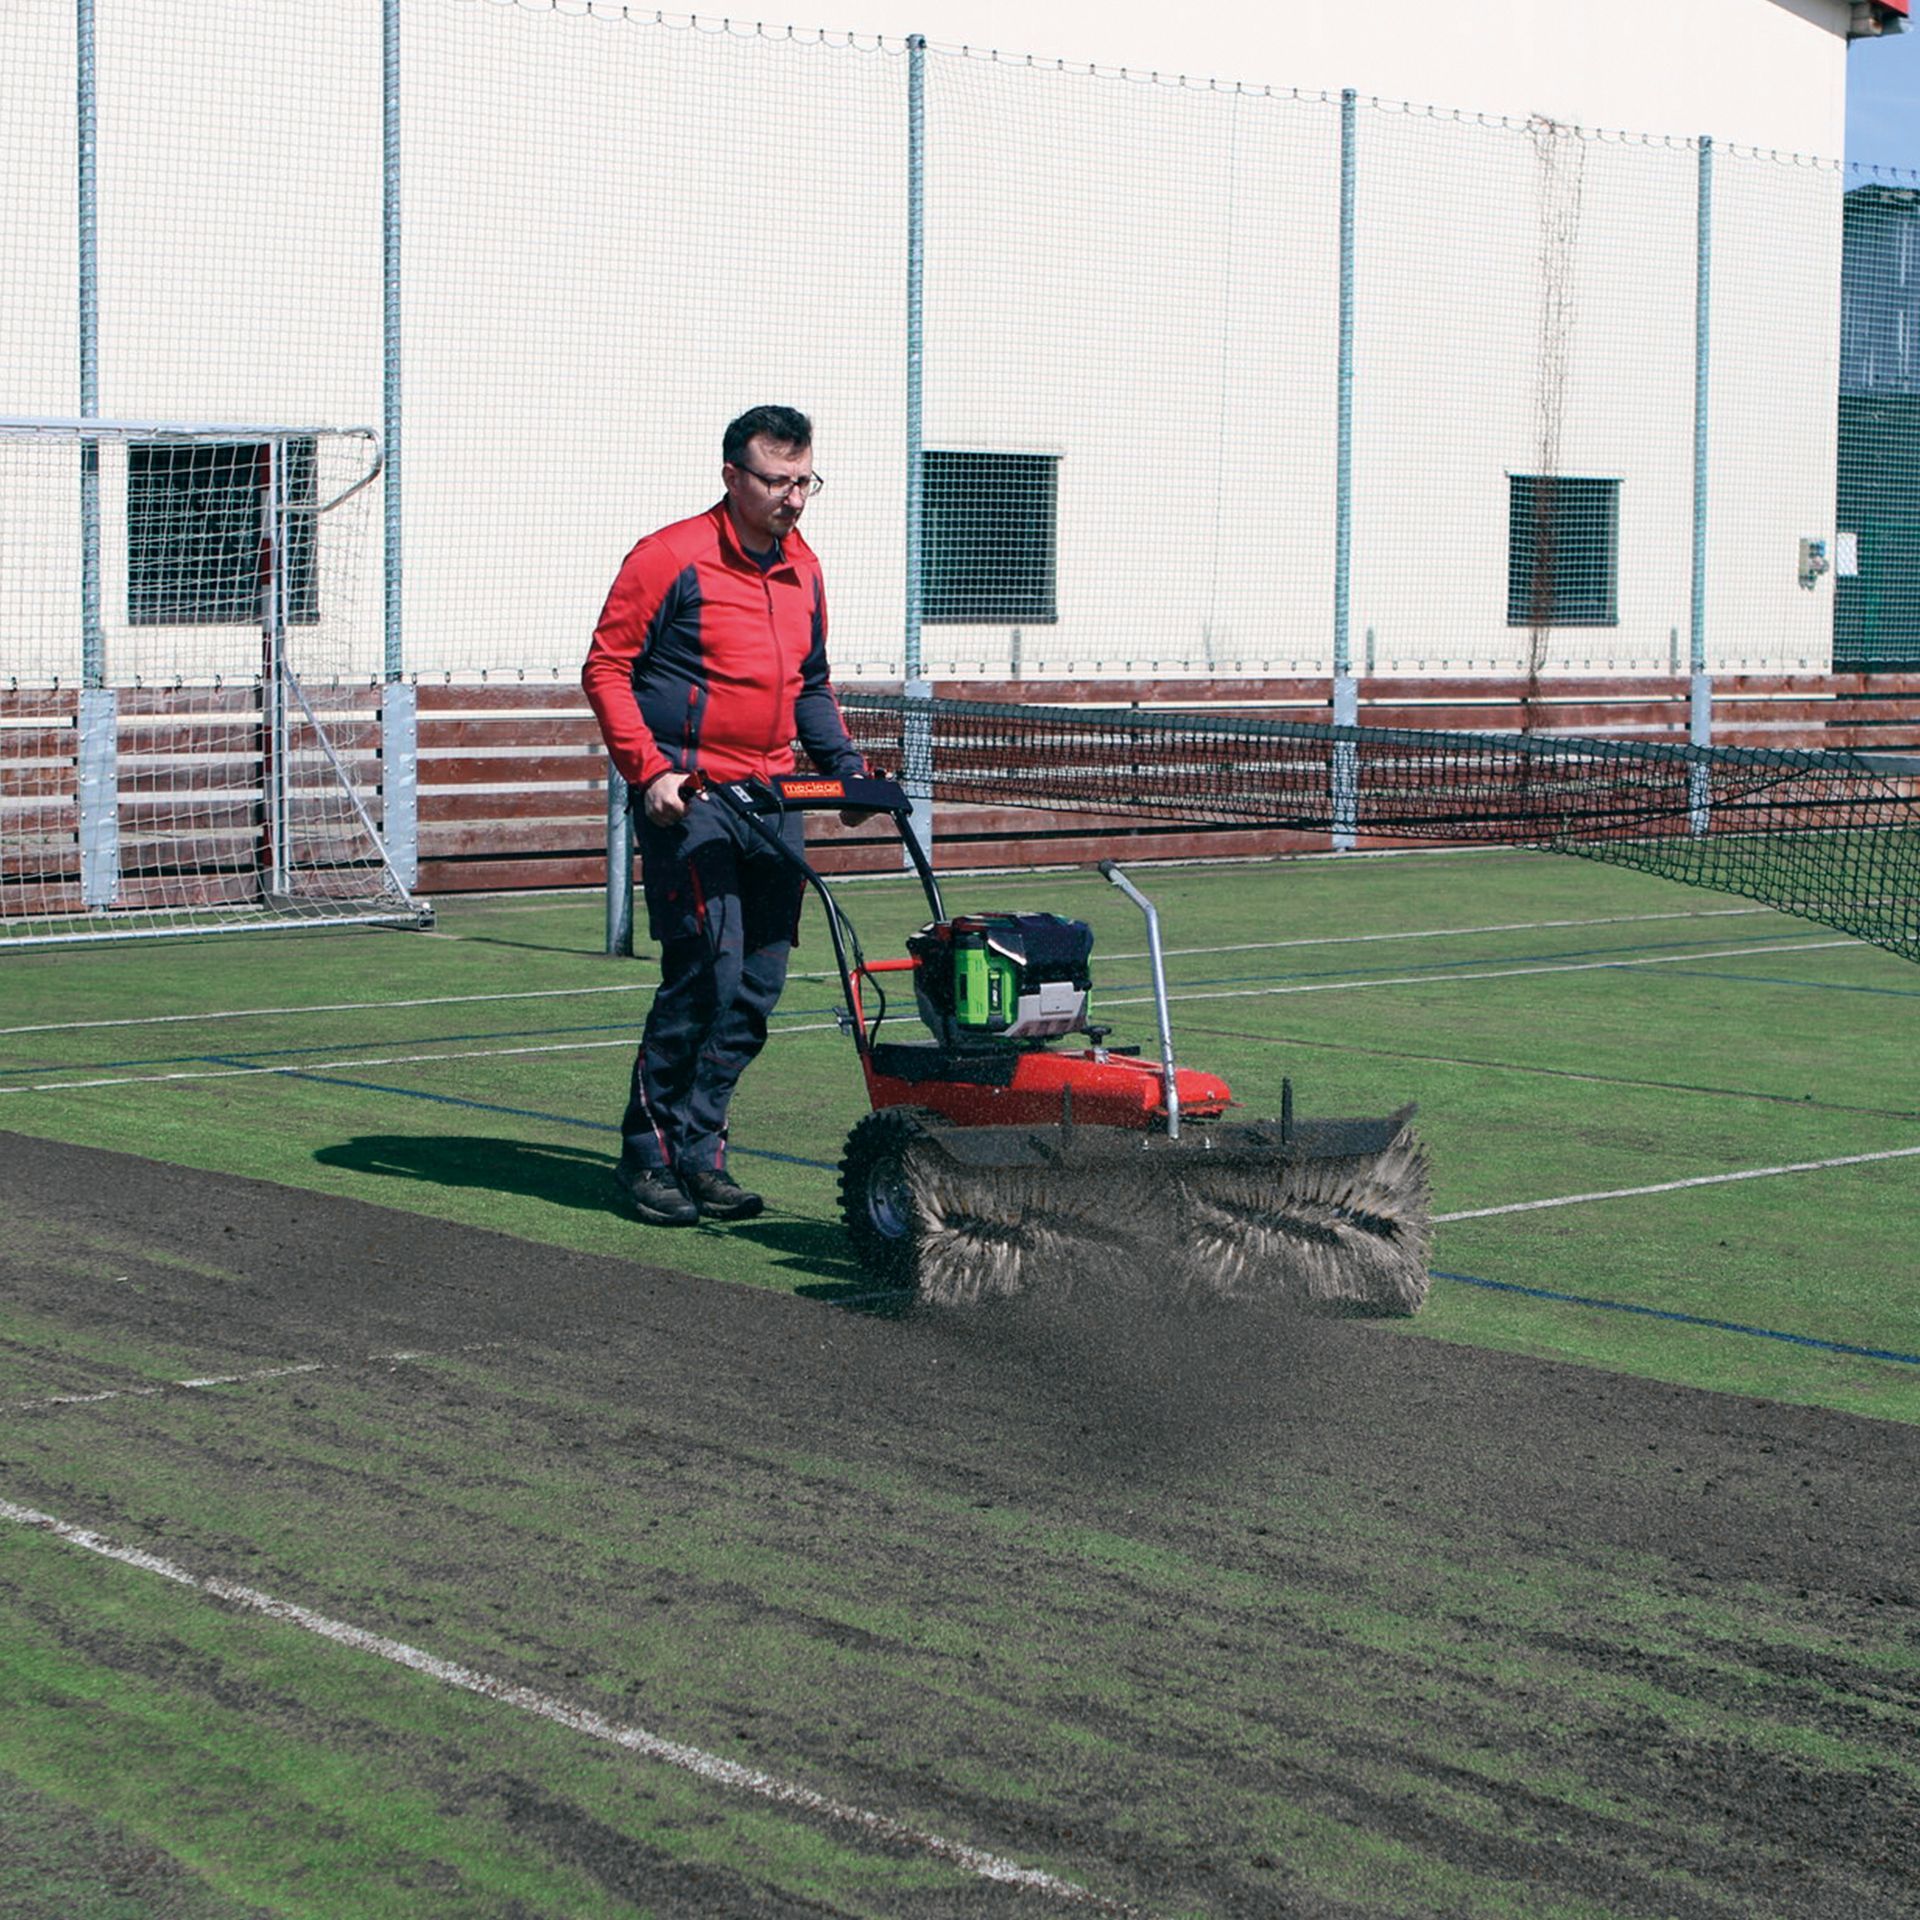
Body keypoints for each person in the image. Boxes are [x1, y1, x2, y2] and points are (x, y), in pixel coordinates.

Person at [583, 406, 867, 1227]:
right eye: (776, 481)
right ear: (731, 477)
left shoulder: (804, 569)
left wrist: (843, 772)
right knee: (706, 971)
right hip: (693, 802)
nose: (793, 499)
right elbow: (606, 668)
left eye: (804, 480)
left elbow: (810, 685)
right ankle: (649, 1156)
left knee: (755, 987)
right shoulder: (668, 557)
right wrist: (650, 773)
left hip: (772, 804)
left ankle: (702, 1155)